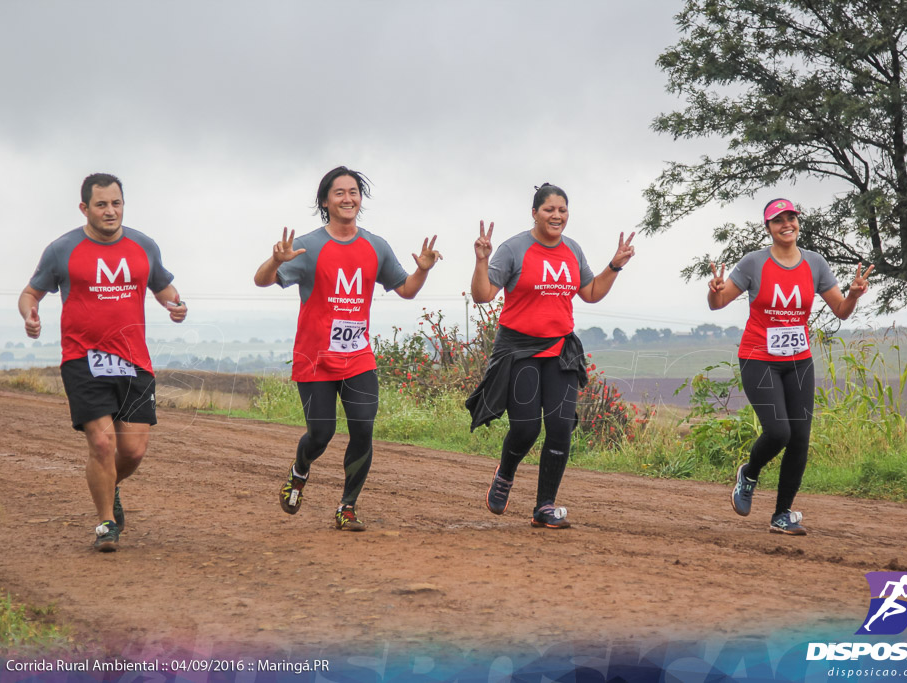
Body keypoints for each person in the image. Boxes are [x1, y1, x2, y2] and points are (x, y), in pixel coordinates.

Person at [255, 166, 441, 531]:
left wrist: (423, 271)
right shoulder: (308, 246)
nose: (347, 198)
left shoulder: (376, 246)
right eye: (339, 193)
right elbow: (261, 280)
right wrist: (276, 260)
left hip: (358, 358)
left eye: (353, 192)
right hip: (315, 359)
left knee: (362, 430)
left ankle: (348, 507)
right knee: (321, 434)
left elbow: (406, 289)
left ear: (360, 198)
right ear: (325, 201)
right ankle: (299, 470)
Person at [18, 173, 187, 552]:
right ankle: (106, 523)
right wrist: (30, 315)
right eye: (101, 204)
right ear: (85, 208)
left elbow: (163, 286)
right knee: (102, 443)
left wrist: (175, 304)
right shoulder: (62, 249)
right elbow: (31, 292)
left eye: (116, 203)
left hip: (134, 360)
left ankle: (111, 486)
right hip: (83, 358)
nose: (110, 211)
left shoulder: (144, 245)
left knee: (133, 451)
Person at [466, 183, 635, 529]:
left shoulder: (572, 249)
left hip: (560, 350)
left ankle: (545, 506)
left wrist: (614, 266)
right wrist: (482, 261)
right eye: (549, 210)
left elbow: (589, 292)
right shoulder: (514, 248)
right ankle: (505, 474)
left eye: (562, 210)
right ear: (534, 213)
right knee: (526, 429)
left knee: (560, 428)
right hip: (520, 351)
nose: (556, 215)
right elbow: (483, 295)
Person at [707, 198, 873, 535]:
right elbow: (718, 303)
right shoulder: (754, 263)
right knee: (779, 431)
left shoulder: (815, 263)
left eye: (791, 218)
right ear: (768, 227)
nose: (787, 224)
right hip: (758, 357)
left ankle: (782, 514)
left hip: (798, 361)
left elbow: (841, 310)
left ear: (798, 222)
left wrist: (854, 294)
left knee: (799, 437)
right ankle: (749, 474)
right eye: (778, 220)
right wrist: (713, 291)